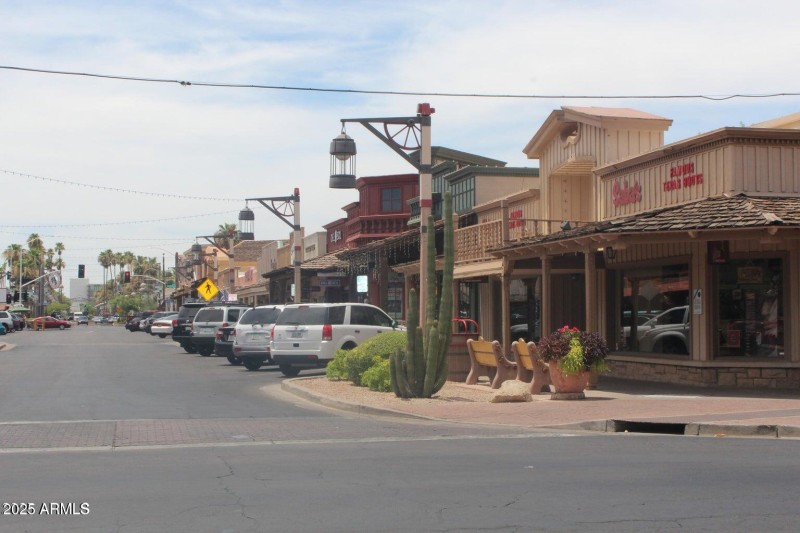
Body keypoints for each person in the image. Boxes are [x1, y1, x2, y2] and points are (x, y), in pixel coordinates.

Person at [760, 289, 779, 357]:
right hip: (770, 327)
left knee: (772, 333)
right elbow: (764, 314)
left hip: (774, 328)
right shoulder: (767, 304)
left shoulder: (777, 304)